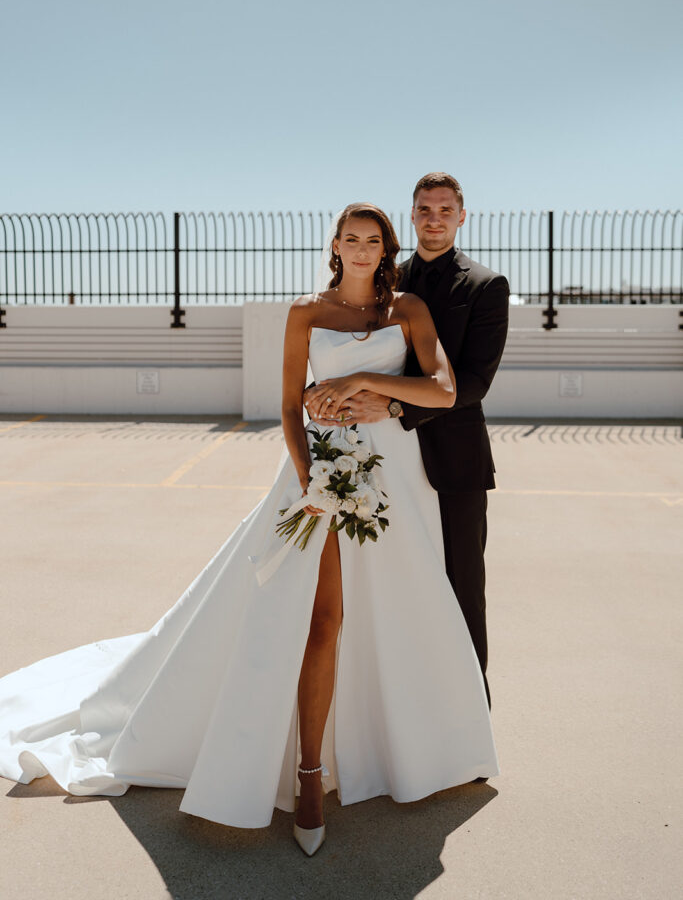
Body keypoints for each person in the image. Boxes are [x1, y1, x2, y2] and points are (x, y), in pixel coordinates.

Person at [0, 202, 498, 858]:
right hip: (320, 476)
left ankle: (419, 749)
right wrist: (307, 480)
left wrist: (362, 380)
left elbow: (441, 389)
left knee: (400, 612)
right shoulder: (304, 312)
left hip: (393, 481)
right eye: (349, 238)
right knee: (320, 620)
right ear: (335, 246)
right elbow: (290, 407)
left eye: (371, 240)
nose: (359, 249)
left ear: (386, 249)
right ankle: (310, 775)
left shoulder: (408, 310)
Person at [306, 175, 509, 707]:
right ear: (412, 216)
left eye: (445, 209)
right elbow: (345, 345)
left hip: (455, 462)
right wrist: (318, 390)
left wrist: (395, 405)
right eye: (424, 209)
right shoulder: (382, 275)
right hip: (383, 462)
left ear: (462, 216)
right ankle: (399, 710)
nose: (434, 218)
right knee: (394, 589)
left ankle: (469, 715)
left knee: (462, 586)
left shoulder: (486, 286)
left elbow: (475, 382)